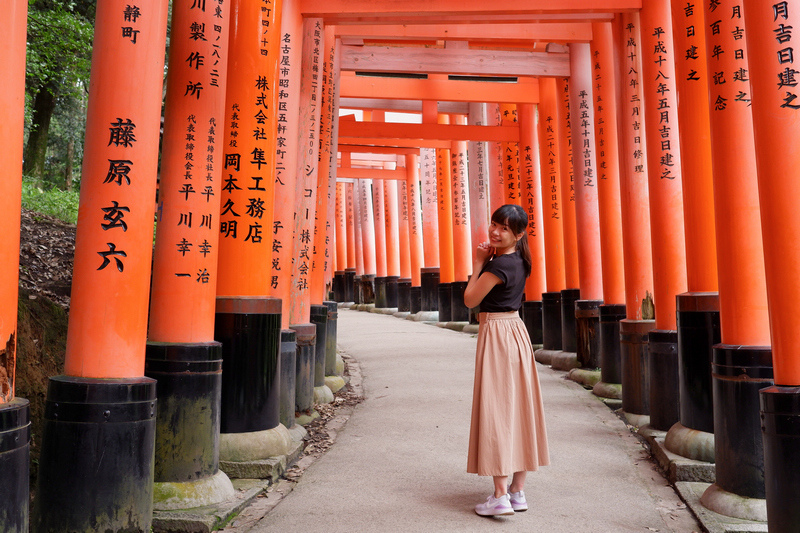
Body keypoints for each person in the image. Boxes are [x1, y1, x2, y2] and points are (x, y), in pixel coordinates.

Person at [463, 204, 550, 517]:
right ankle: (517, 491)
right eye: (494, 224)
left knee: (497, 410)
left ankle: (500, 495)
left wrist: (478, 263)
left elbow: (470, 300)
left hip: (498, 333)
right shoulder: (520, 260)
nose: (495, 232)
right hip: (515, 331)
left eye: (504, 228)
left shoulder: (496, 267)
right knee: (519, 408)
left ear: (519, 234)